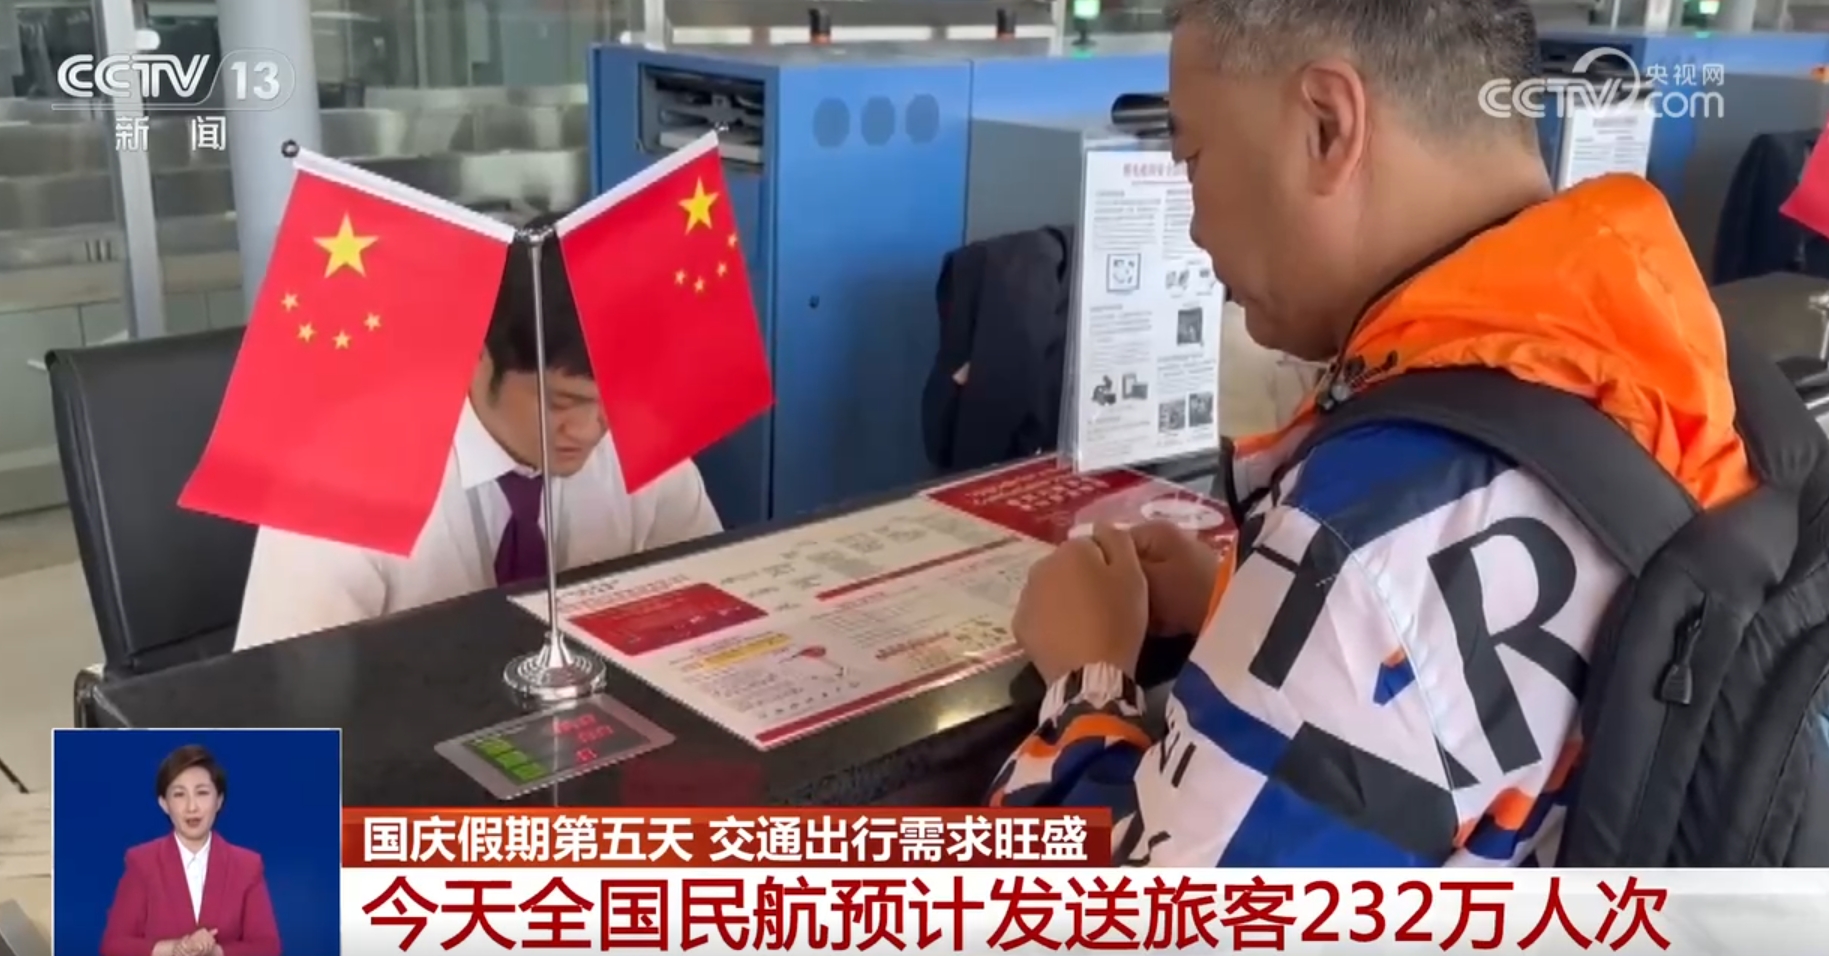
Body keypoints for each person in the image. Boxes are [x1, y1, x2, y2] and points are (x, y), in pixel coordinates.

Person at [991, 0, 1759, 865]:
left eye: (1193, 158)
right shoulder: (1673, 362)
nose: (1197, 226)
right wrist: (1255, 608)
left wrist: (1084, 679)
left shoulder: (1369, 538)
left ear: (1327, 125)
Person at [235, 212, 724, 649]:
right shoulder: (339, 478)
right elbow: (281, 695)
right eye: (562, 402)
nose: (593, 429)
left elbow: (716, 607)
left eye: (615, 397)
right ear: (477, 355)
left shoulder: (639, 442)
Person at [100, 746, 281, 956]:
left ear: (219, 801)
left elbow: (268, 948)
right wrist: (173, 949)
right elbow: (113, 946)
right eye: (179, 794)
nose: (191, 807)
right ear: (164, 804)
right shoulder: (142, 862)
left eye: (202, 793)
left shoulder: (247, 866)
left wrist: (216, 952)